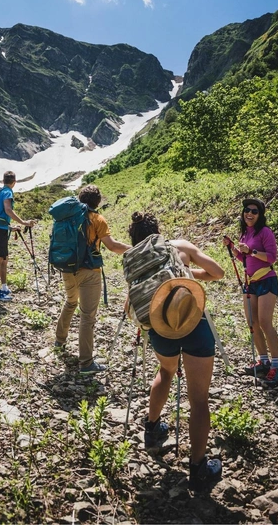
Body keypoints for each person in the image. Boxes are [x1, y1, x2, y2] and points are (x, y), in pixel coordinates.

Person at [128, 211, 224, 491]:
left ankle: (152, 429)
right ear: (158, 231)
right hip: (193, 322)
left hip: (160, 329)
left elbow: (131, 306)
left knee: (166, 372)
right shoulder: (179, 246)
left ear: (134, 239)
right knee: (199, 398)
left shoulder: (135, 260)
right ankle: (197, 467)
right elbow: (217, 273)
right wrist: (186, 274)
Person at [54, 184, 130, 374]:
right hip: (89, 271)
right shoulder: (97, 219)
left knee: (71, 302)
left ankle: (59, 341)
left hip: (67, 267)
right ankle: (86, 363)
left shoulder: (67, 217)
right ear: (97, 202)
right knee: (87, 317)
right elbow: (112, 246)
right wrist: (135, 249)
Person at [222, 198, 278, 387]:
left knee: (265, 322)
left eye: (254, 211)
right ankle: (263, 360)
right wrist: (233, 247)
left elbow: (272, 257)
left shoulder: (265, 232)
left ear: (260, 215)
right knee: (252, 323)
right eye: (247, 210)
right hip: (251, 283)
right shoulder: (244, 234)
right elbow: (244, 258)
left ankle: (276, 365)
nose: (249, 213)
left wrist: (252, 251)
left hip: (266, 279)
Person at [0, 171, 35, 302]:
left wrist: (10, 227)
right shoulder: (8, 192)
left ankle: (3, 286)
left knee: (4, 258)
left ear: (3, 181)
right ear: (14, 182)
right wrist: (24, 222)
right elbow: (8, 209)